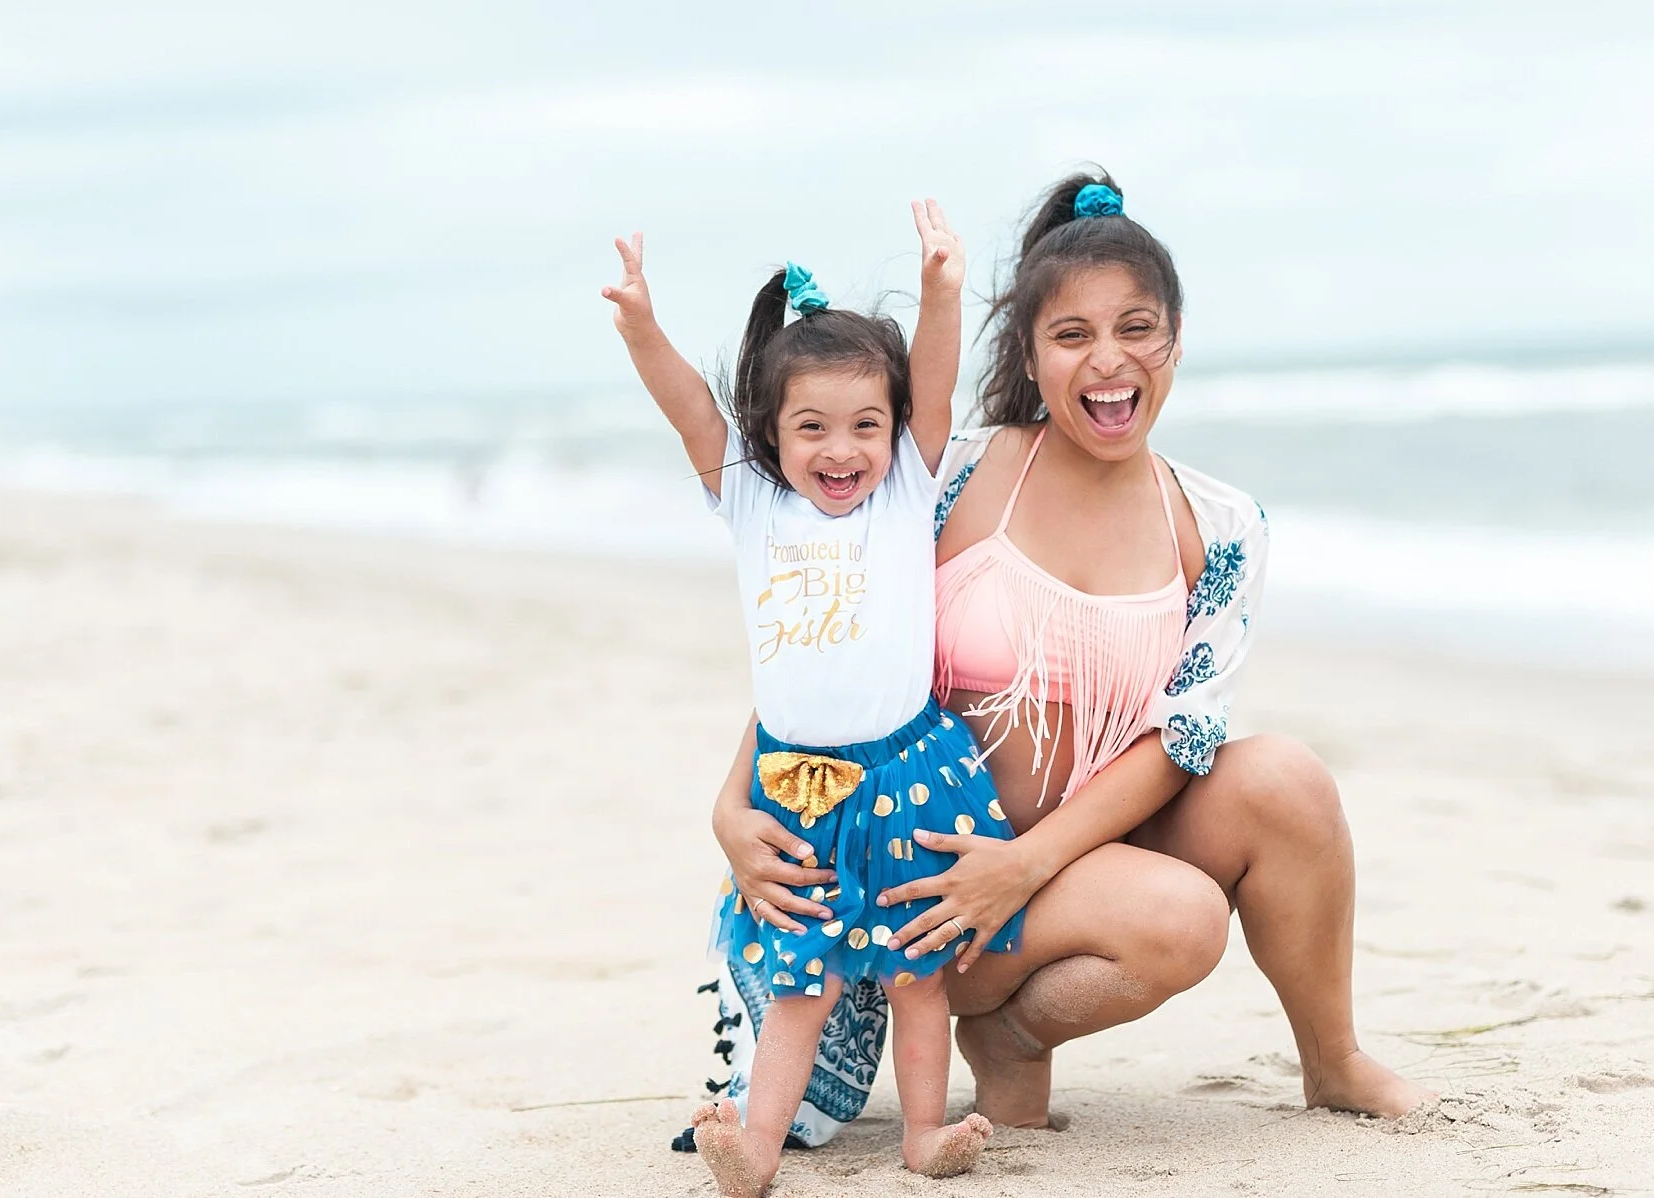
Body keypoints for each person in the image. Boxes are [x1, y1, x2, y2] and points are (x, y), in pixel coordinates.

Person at [705, 171, 1434, 1142]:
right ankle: (1003, 1035)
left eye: (1137, 327)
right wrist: (731, 800)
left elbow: (1188, 733)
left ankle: (1333, 1060)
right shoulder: (945, 475)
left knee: (1288, 782)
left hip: (1064, 864)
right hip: (930, 878)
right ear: (1030, 350)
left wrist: (1030, 861)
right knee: (1180, 918)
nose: (1109, 361)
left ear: (1174, 339)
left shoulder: (1220, 525)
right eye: (1073, 333)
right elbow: (826, 638)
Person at [604, 201, 1026, 1197]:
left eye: (865, 426)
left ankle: (925, 1134)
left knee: (921, 974)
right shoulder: (749, 497)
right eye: (813, 428)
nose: (843, 450)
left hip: (910, 771)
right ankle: (753, 1149)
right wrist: (641, 330)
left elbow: (935, 382)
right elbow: (689, 410)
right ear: (771, 432)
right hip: (797, 787)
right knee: (803, 981)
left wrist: (938, 290)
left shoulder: (907, 488)